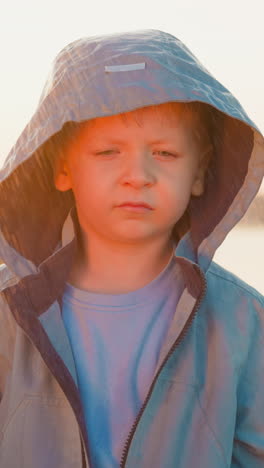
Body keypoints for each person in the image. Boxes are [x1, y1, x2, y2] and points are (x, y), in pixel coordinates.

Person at [0, 29, 263, 468]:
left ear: (199, 174)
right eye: (107, 152)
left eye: (164, 153)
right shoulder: (9, 312)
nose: (137, 174)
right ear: (63, 168)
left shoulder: (245, 321)